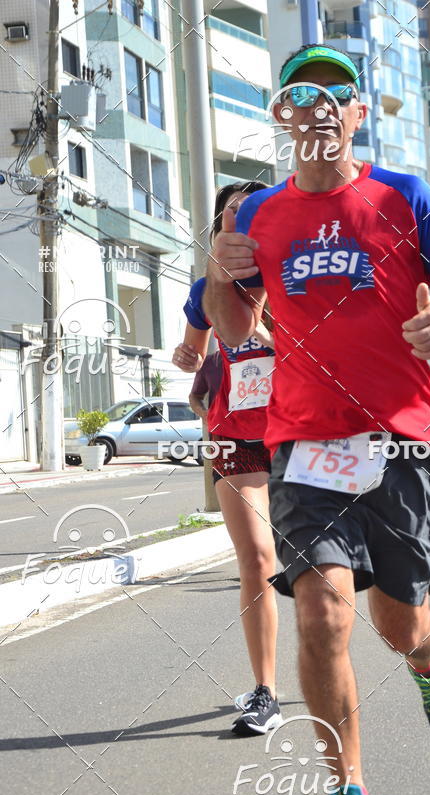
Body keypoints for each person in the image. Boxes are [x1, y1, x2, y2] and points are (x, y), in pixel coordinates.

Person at [204, 43, 430, 795]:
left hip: (402, 438)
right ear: (282, 115)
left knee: (397, 620)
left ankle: (429, 663)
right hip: (303, 441)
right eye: (304, 91)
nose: (322, 103)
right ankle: (347, 791)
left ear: (359, 115)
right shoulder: (256, 216)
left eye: (340, 92)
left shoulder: (402, 197)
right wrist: (220, 270)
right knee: (323, 610)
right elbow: (232, 330)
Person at [172, 181, 282, 737]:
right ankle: (265, 691)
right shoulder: (205, 290)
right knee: (258, 559)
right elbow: (191, 351)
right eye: (229, 215)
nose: (240, 222)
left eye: (251, 213)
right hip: (235, 437)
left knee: (316, 567)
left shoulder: (294, 282)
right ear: (218, 230)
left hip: (297, 435)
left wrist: (267, 331)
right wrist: (188, 353)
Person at [188, 350, 222, 420]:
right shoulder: (209, 362)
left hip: (249, 426)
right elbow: (194, 396)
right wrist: (203, 413)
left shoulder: (250, 358)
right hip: (220, 427)